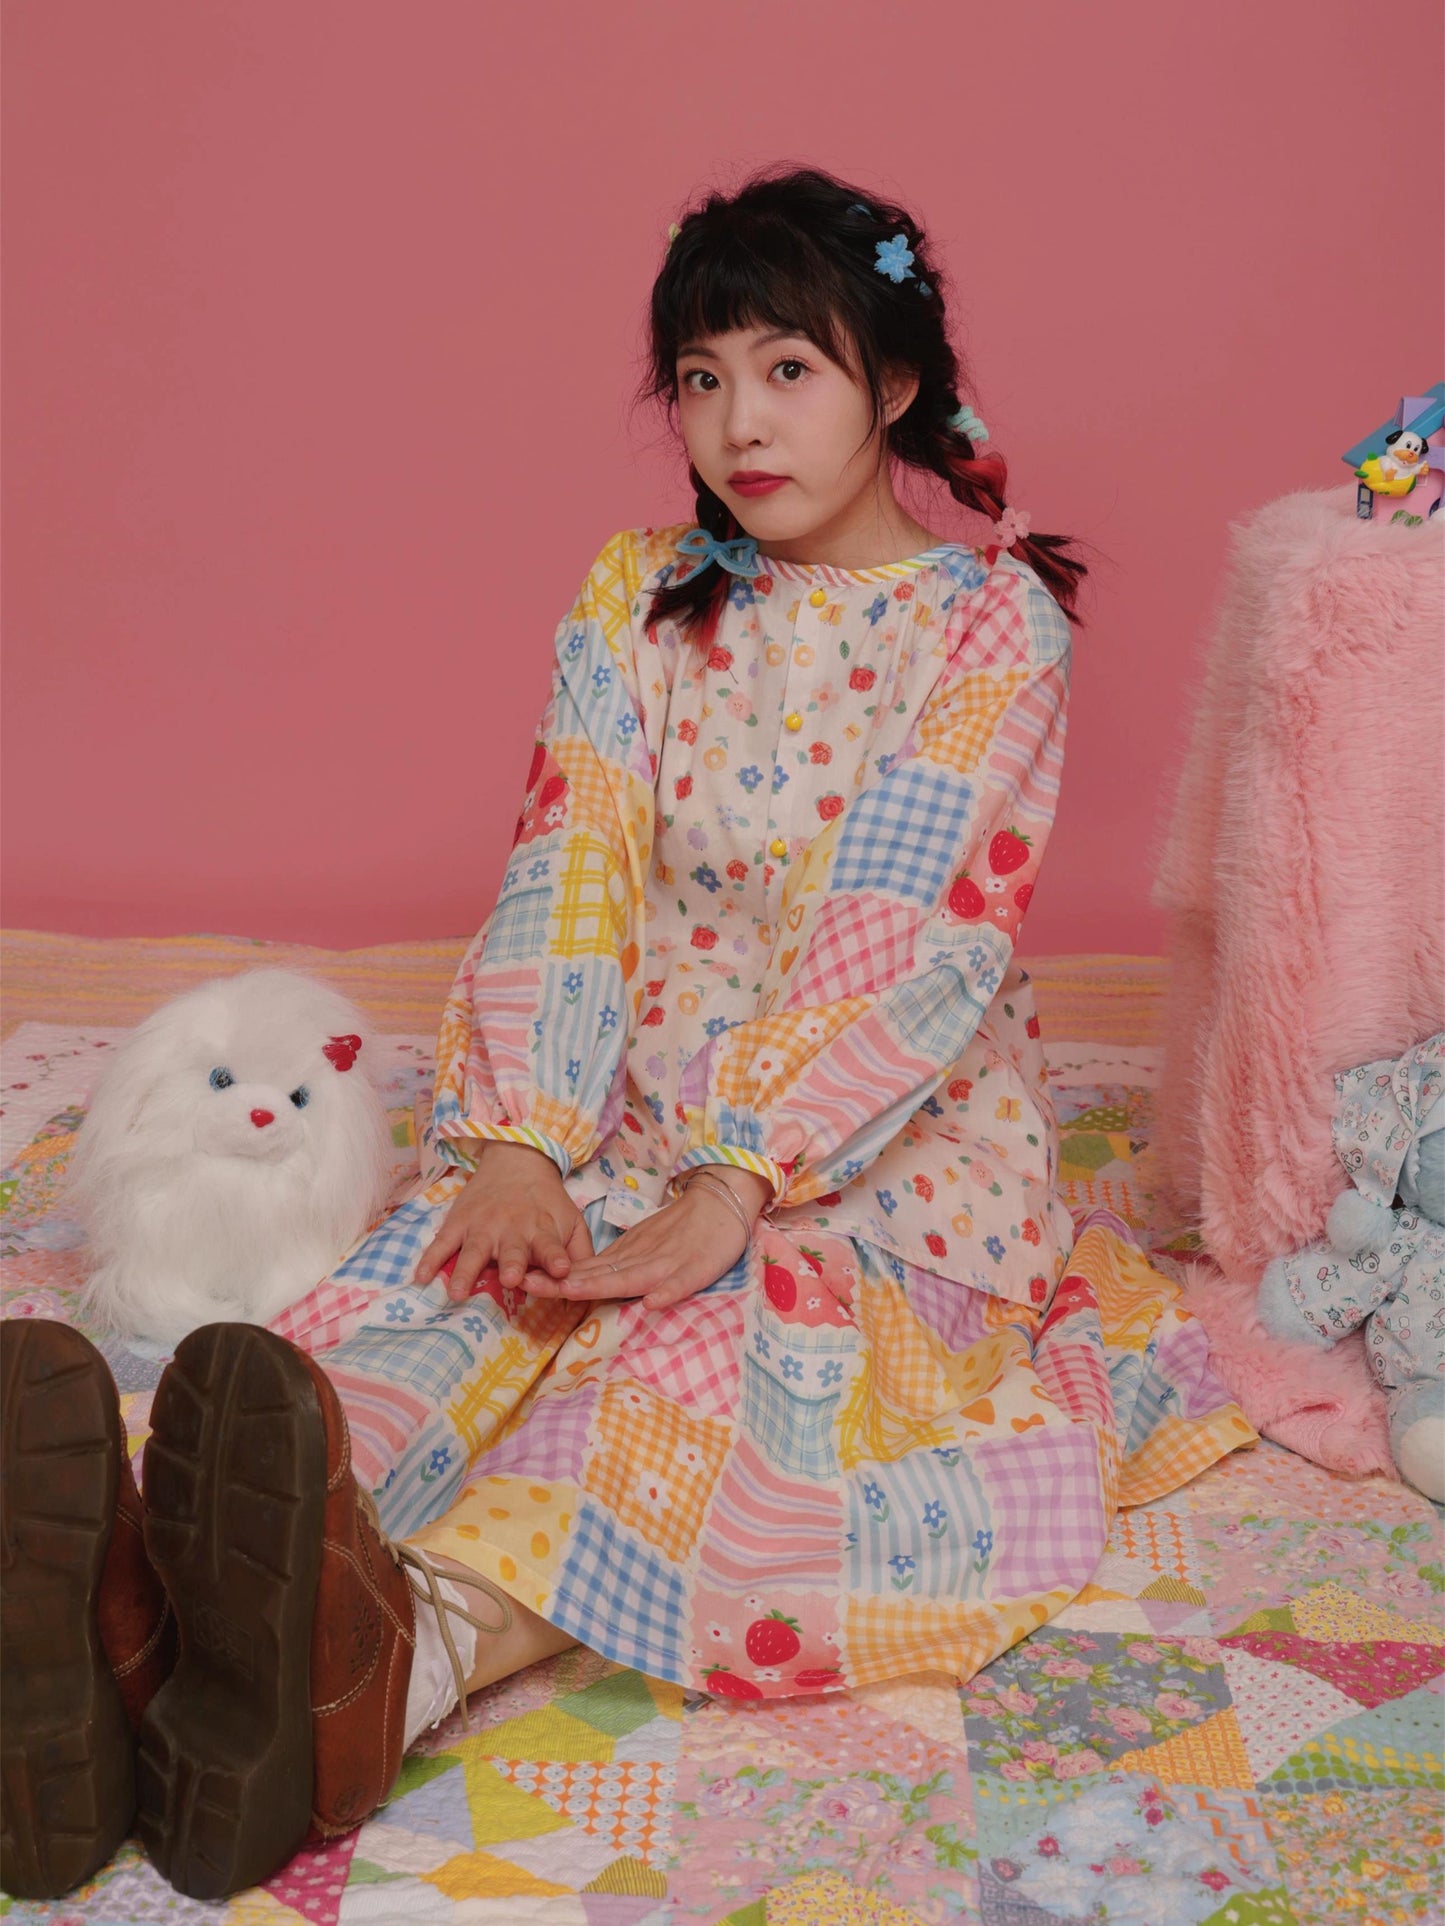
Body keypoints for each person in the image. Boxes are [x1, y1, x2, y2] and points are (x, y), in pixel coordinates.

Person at [0, 164, 1253, 1902]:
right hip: (612, 1105)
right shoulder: (638, 591)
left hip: (875, 1150)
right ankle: (121, 1628)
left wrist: (739, 1178)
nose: (739, 421)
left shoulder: (986, 621)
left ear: (893, 381)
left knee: (701, 1374)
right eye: (700, 376)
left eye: (788, 370)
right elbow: (571, 851)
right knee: (445, 1312)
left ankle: (391, 1665)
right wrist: (519, 1135)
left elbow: (903, 922)